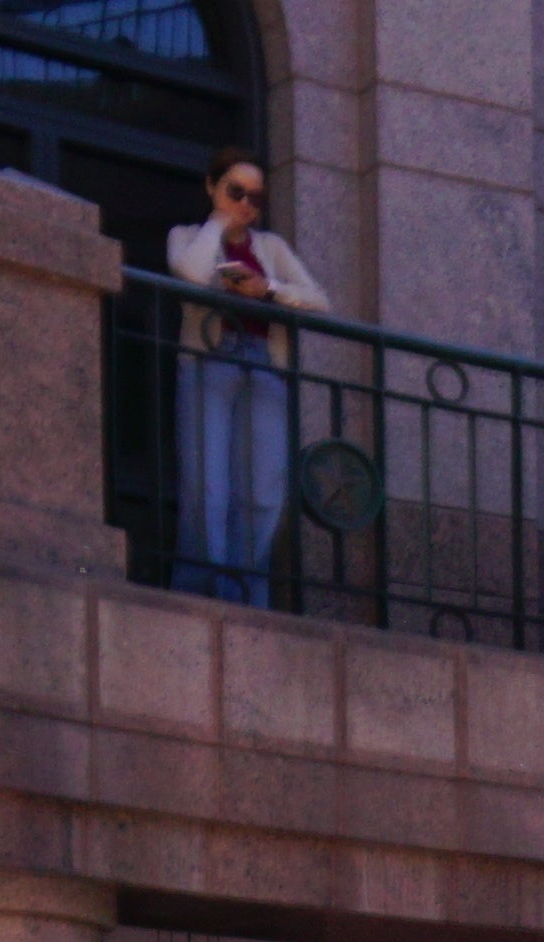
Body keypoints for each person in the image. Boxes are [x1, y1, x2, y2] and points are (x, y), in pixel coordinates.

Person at [162, 161, 330, 609]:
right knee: (208, 487)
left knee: (262, 493)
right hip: (208, 361)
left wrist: (268, 290)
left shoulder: (270, 247)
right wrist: (217, 224)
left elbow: (319, 299)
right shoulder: (187, 235)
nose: (244, 205)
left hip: (263, 365)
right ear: (211, 185)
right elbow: (192, 273)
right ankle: (202, 594)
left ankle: (246, 598)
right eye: (235, 191)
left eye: (255, 198)